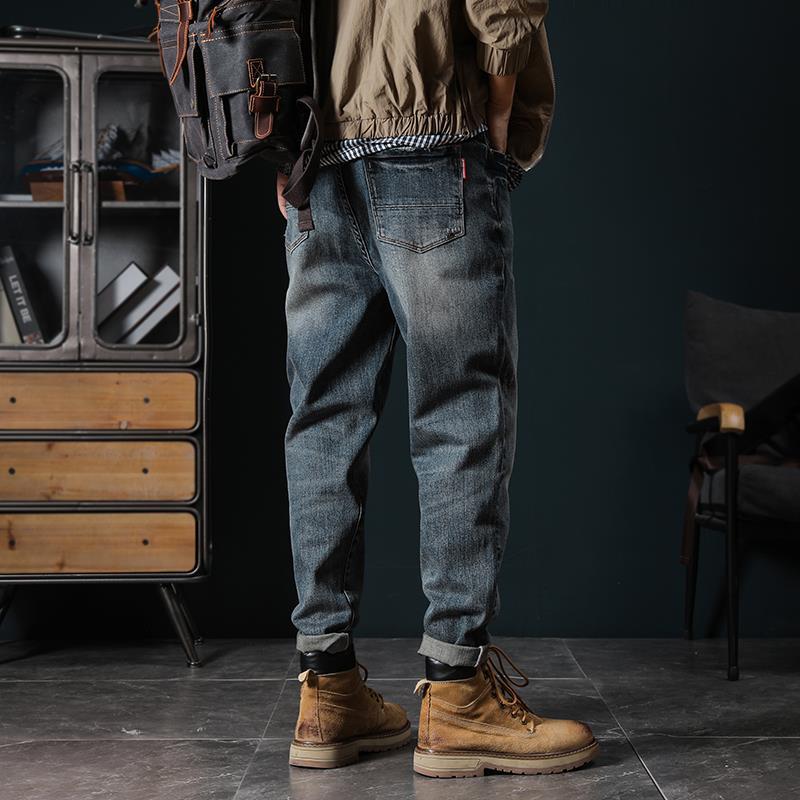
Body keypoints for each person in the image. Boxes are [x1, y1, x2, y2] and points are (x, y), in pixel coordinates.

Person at [275, 0, 599, 778]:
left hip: (316, 160)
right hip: (431, 146)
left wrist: (285, 146)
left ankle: (326, 688)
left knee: (322, 422)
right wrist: (498, 121)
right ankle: (456, 695)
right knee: (461, 416)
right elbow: (502, 10)